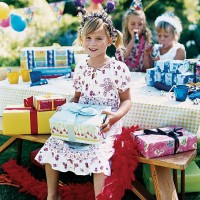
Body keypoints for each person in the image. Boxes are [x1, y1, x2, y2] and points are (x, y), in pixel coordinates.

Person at [35, 4, 132, 200]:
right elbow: (77, 98)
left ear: (110, 40)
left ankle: (100, 197)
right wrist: (67, 109)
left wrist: (114, 117)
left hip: (106, 124)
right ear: (82, 39)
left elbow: (127, 101)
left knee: (98, 155)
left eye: (98, 38)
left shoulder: (118, 68)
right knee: (52, 145)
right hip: (80, 122)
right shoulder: (80, 67)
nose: (92, 43)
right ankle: (53, 196)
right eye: (88, 38)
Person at [115, 0, 153, 72]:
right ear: (127, 24)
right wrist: (133, 40)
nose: (136, 27)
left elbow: (147, 69)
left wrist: (146, 55)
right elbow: (122, 58)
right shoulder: (122, 41)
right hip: (124, 76)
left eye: (140, 24)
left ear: (144, 25)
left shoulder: (146, 43)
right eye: (133, 24)